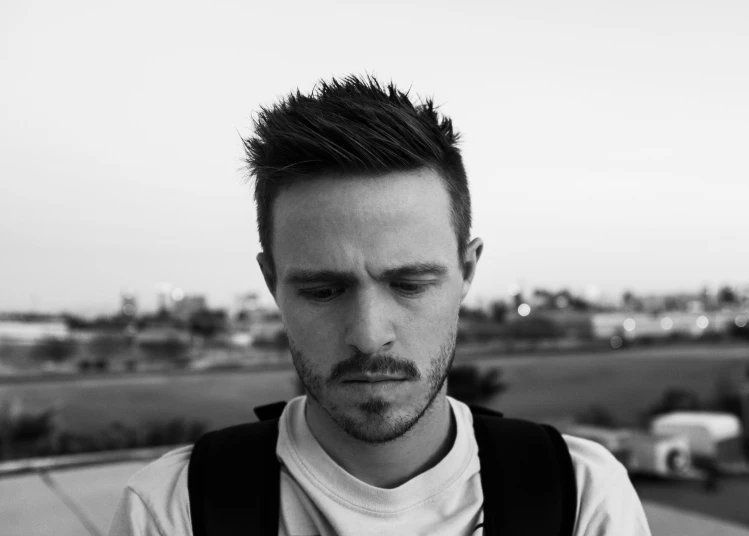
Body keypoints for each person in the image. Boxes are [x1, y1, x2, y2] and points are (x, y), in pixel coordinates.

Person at [109, 75, 652, 535]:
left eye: (410, 284)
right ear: (272, 282)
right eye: (323, 291)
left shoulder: (582, 497)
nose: (369, 336)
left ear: (467, 271)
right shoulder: (173, 510)